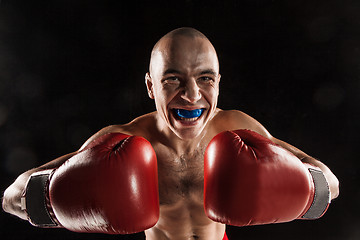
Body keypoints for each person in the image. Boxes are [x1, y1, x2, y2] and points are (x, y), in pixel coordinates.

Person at [2, 27, 339, 240]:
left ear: (219, 82)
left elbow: (331, 183)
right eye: (173, 79)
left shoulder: (238, 128)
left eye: (205, 78)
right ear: (151, 86)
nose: (192, 95)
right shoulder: (125, 141)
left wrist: (305, 189)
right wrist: (53, 197)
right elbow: (11, 197)